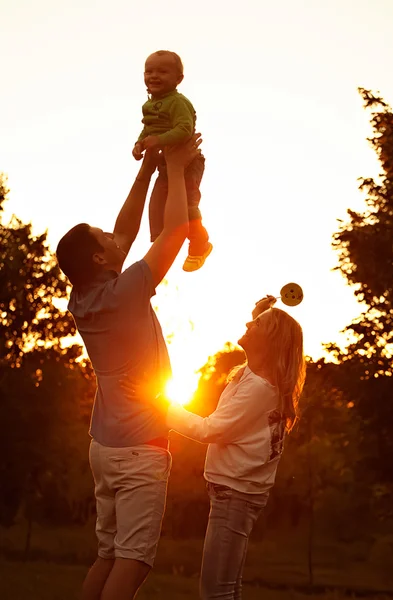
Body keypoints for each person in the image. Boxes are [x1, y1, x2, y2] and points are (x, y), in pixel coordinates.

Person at [56, 135, 201, 600]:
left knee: (106, 555)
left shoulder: (84, 298)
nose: (114, 236)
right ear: (100, 258)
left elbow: (124, 232)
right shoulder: (128, 289)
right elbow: (174, 231)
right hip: (140, 449)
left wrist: (147, 172)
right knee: (133, 561)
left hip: (105, 447)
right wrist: (176, 168)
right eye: (104, 238)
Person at [130, 296, 306, 600]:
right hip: (239, 492)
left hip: (235, 495)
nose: (248, 324)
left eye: (257, 325)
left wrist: (161, 407)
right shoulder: (259, 376)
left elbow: (209, 429)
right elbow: (265, 342)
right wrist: (261, 313)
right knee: (227, 588)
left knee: (215, 592)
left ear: (270, 341)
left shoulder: (257, 388)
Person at [132, 49, 212, 272]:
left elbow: (185, 129)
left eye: (163, 71)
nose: (154, 76)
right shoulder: (149, 105)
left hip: (188, 163)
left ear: (178, 79)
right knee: (157, 204)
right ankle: (161, 243)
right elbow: (148, 129)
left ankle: (200, 243)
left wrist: (158, 140)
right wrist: (140, 144)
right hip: (166, 165)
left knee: (186, 206)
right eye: (149, 71)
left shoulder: (177, 102)